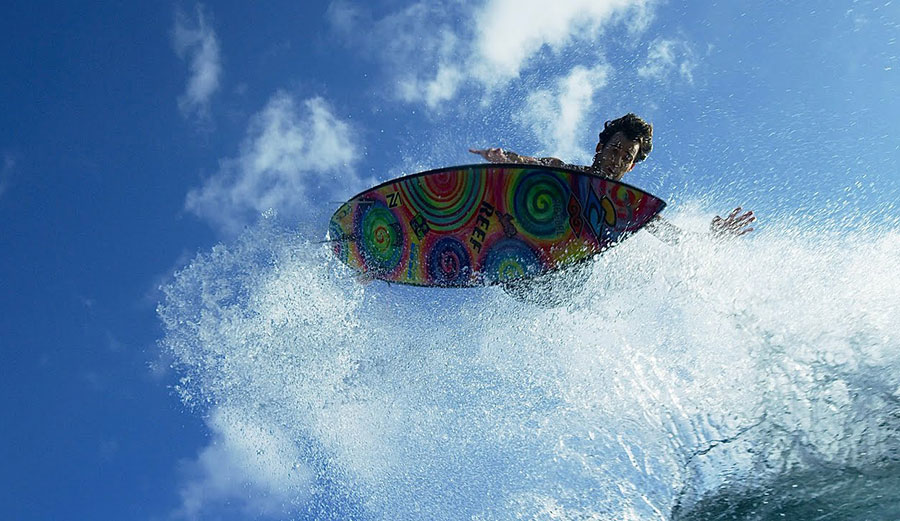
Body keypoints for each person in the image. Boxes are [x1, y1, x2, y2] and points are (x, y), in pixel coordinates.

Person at [469, 113, 755, 245]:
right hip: (528, 265)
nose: (617, 159)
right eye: (614, 149)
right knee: (533, 187)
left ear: (631, 167)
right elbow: (530, 162)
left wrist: (713, 238)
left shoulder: (628, 206)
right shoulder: (569, 172)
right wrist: (502, 156)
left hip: (567, 282)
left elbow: (674, 238)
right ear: (599, 148)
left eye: (626, 157)